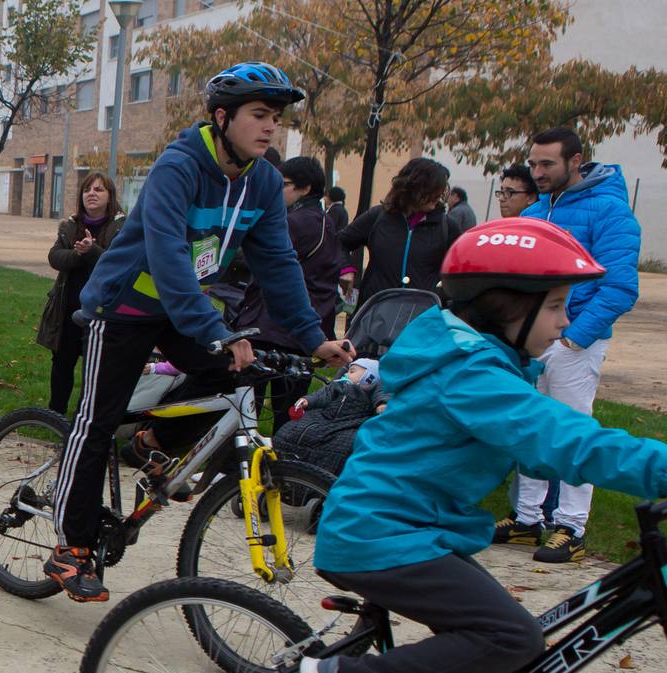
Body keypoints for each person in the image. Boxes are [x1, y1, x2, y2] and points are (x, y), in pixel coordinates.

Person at [302, 216, 667, 673]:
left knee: (518, 643)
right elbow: (557, 435)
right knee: (511, 639)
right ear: (505, 307)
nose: (565, 322)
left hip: (415, 531)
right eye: (556, 307)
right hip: (380, 535)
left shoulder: (489, 364)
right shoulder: (471, 373)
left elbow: (539, 446)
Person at [43, 63, 354, 603]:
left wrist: (313, 336)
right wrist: (216, 329)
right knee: (96, 421)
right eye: (259, 115)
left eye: (275, 118)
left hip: (182, 309)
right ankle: (71, 547)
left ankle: (155, 442)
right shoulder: (179, 166)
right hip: (124, 307)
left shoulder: (259, 181)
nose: (269, 128)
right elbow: (166, 256)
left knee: (238, 373)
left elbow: (278, 264)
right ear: (222, 116)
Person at [492, 127, 643, 565]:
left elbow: (619, 287)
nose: (537, 172)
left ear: (576, 161)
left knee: (574, 432)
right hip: (531, 342)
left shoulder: (611, 212)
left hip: (575, 342)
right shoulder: (539, 210)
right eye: (534, 163)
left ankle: (571, 527)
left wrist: (574, 337)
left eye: (547, 165)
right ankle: (527, 519)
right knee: (531, 428)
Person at [232, 156, 344, 421]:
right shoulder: (324, 221)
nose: (276, 191)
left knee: (248, 412)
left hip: (273, 327)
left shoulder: (295, 222)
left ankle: (241, 460)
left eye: (283, 185)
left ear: (304, 188)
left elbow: (260, 258)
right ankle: (281, 459)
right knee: (289, 413)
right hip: (304, 329)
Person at [41, 172, 124, 416]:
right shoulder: (70, 225)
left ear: (110, 197)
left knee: (95, 368)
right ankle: (54, 415)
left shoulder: (121, 227)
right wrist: (78, 254)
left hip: (102, 311)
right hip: (67, 308)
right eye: (87, 189)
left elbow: (117, 264)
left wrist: (92, 250)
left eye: (99, 190)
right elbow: (55, 258)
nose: (91, 194)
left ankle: (85, 417)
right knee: (61, 364)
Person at [338, 158, 462, 300]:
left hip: (423, 317)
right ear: (413, 187)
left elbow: (461, 270)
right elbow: (339, 242)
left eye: (441, 189)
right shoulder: (377, 217)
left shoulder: (448, 227)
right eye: (433, 189)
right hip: (376, 313)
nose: (438, 195)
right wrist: (345, 269)